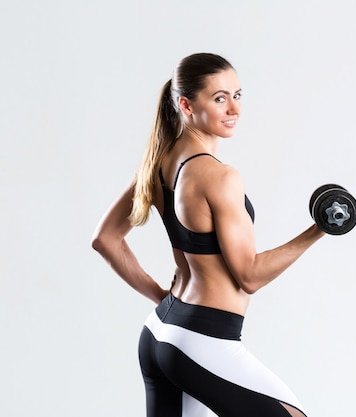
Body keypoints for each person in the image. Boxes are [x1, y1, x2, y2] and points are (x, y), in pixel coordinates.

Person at [91, 52, 325, 417]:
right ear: (186, 104)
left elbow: (104, 238)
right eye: (219, 98)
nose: (234, 109)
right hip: (203, 343)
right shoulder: (219, 177)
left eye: (238, 95)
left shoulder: (159, 162)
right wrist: (318, 230)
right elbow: (249, 275)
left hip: (160, 333)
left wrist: (160, 298)